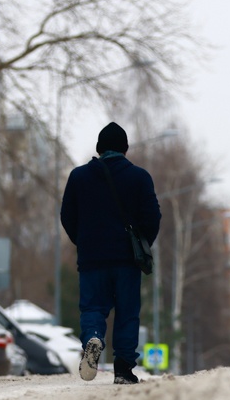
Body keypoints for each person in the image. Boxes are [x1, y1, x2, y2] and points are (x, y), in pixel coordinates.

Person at [60, 121, 161, 384]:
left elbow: (67, 216)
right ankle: (124, 370)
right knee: (127, 313)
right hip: (127, 260)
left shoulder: (78, 177)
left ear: (99, 148)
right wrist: (141, 244)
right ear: (125, 149)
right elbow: (153, 217)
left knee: (93, 307)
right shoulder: (140, 177)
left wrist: (82, 241)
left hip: (92, 259)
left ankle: (93, 337)